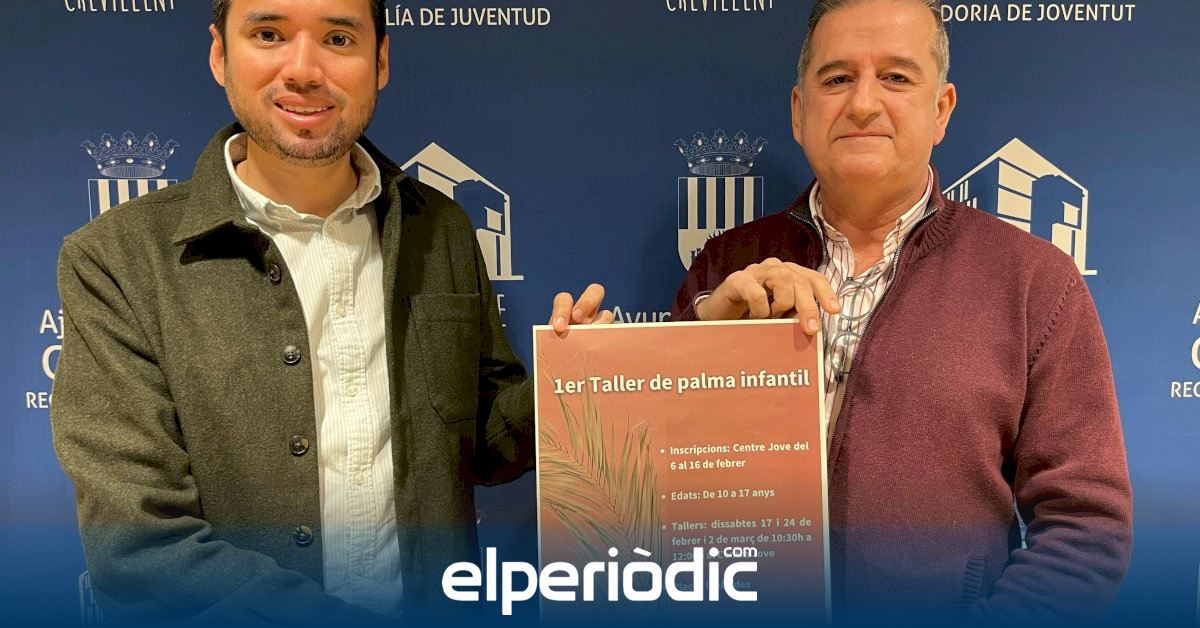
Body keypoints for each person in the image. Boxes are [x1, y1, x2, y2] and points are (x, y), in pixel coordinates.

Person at [50, 0, 606, 623]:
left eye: (339, 39)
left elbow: (485, 448)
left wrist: (570, 382)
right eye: (268, 34)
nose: (303, 70)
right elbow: (139, 546)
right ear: (220, 54)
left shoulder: (440, 227)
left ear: (381, 60)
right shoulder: (118, 260)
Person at [670, 0, 1132, 622]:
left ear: (940, 109)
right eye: (837, 78)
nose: (863, 104)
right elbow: (658, 484)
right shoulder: (725, 266)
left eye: (895, 77)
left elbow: (1085, 526)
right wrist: (600, 368)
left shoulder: (1033, 281)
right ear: (799, 112)